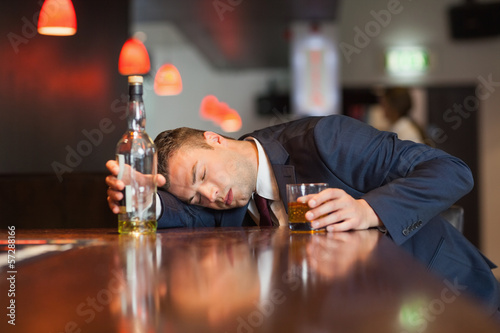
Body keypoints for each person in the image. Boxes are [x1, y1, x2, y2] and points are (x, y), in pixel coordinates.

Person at [106, 114, 500, 320]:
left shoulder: (324, 140)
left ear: (216, 139)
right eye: (196, 196)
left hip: (448, 300)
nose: (210, 196)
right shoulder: (225, 197)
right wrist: (144, 202)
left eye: (202, 176)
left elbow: (451, 170)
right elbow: (192, 215)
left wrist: (368, 209)